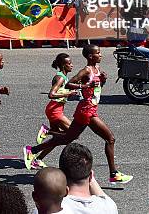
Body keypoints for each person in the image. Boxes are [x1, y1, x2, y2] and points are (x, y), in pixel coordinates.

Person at [24, 44, 133, 185]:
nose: (100, 55)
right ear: (90, 56)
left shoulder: (97, 69)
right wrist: (85, 86)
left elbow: (96, 89)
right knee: (103, 138)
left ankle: (32, 150)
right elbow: (69, 84)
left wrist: (103, 81)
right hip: (86, 111)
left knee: (73, 138)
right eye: (98, 53)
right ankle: (113, 174)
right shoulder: (86, 71)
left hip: (91, 110)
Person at [31, 53, 79, 160]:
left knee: (56, 139)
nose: (72, 65)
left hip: (54, 108)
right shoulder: (60, 78)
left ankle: (38, 159)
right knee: (74, 133)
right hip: (55, 110)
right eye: (69, 63)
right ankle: (46, 131)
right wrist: (68, 94)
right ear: (63, 65)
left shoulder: (64, 77)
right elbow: (51, 94)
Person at [58, 143, 118, 213]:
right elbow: (103, 197)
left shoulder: (56, 208)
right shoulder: (109, 207)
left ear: (61, 174)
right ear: (91, 175)